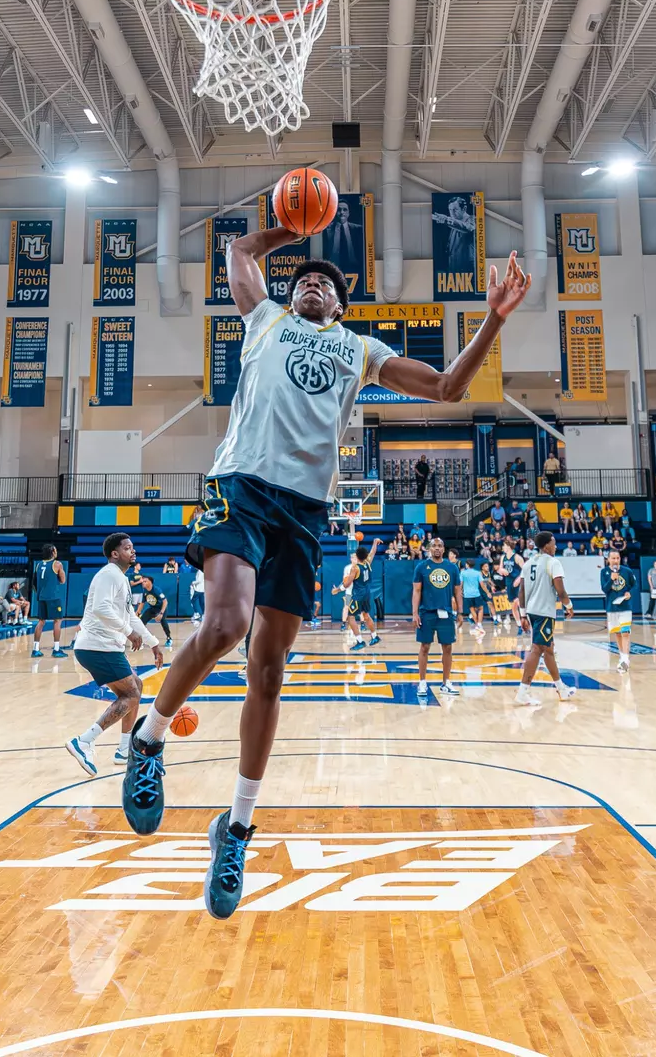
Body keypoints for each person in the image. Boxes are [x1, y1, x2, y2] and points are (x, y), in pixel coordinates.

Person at [119, 220, 531, 920]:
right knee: (224, 626)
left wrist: (490, 321)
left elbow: (446, 386)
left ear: (341, 306)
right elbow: (238, 252)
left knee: (270, 669)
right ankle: (148, 737)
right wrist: (290, 224)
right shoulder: (263, 320)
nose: (314, 282)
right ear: (289, 295)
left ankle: (237, 829)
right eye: (304, 279)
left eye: (328, 284)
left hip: (305, 510)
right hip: (241, 487)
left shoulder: (360, 349)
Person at [67, 533, 163, 774]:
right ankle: (84, 741)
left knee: (136, 686)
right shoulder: (109, 574)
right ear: (114, 554)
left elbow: (130, 615)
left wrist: (153, 642)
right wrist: (128, 632)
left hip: (103, 647)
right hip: (97, 646)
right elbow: (101, 608)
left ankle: (123, 750)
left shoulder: (119, 578)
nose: (133, 551)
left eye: (133, 547)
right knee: (131, 693)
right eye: (128, 548)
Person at [515, 532, 576, 706]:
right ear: (547, 545)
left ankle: (561, 689)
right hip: (544, 612)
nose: (556, 546)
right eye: (554, 543)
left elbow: (522, 591)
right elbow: (561, 590)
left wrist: (524, 614)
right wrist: (569, 606)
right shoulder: (553, 563)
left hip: (533, 612)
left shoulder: (528, 563)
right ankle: (523, 691)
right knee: (537, 649)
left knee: (548, 649)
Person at [413, 537, 461, 698]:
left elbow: (457, 591)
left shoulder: (452, 568)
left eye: (440, 546)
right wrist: (414, 613)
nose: (437, 548)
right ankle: (422, 682)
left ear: (444, 548)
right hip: (426, 613)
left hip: (446, 613)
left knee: (448, 647)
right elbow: (417, 591)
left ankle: (446, 682)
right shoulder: (421, 567)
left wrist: (460, 612)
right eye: (434, 546)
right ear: (429, 549)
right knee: (424, 647)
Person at [342, 539, 383, 651]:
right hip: (367, 594)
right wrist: (374, 543)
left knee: (350, 618)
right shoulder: (368, 562)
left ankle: (360, 641)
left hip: (358, 595)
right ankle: (375, 636)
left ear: (358, 556)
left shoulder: (355, 568)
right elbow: (373, 552)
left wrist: (340, 586)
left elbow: (347, 584)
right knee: (366, 615)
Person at [601, 550, 636, 673]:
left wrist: (628, 593)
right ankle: (622, 655)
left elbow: (633, 584)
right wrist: (611, 579)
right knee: (618, 633)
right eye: (613, 558)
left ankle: (626, 659)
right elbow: (604, 589)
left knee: (625, 632)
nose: (616, 560)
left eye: (617, 558)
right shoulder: (604, 572)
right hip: (612, 608)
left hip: (625, 607)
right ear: (609, 559)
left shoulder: (627, 571)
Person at [31, 545, 68, 658]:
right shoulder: (57, 564)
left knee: (41, 622)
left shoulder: (38, 565)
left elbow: (34, 583)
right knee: (57, 621)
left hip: (41, 597)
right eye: (55, 550)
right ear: (52, 552)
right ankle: (56, 649)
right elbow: (62, 581)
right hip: (53, 597)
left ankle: (35, 649)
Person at [498, 538, 525, 630]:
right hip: (509, 583)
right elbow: (500, 569)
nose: (503, 547)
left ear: (509, 547)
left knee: (518, 603)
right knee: (513, 606)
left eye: (504, 545)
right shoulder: (503, 557)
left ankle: (526, 622)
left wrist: (518, 579)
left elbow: (525, 570)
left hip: (517, 583)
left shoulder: (517, 557)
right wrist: (502, 570)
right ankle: (519, 626)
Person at [139, 576, 173, 648]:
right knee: (141, 622)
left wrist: (161, 613)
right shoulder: (145, 590)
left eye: (145, 581)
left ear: (150, 582)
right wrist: (137, 612)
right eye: (143, 581)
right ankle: (140, 639)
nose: (143, 582)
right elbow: (142, 603)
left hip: (160, 609)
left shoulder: (157, 590)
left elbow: (165, 601)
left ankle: (169, 638)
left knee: (163, 621)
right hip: (152, 609)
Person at [460, 558, 486, 638]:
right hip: (476, 594)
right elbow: (482, 584)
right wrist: (487, 592)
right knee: (481, 608)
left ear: (467, 565)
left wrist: (460, 591)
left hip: (467, 594)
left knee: (472, 610)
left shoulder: (463, 573)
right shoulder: (478, 573)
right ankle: (479, 624)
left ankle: (477, 626)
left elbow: (461, 583)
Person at [333, 551, 357, 630]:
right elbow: (345, 581)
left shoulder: (360, 567)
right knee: (346, 607)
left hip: (358, 592)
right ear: (351, 559)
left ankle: (363, 624)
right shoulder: (347, 568)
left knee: (361, 609)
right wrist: (338, 588)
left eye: (356, 558)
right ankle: (343, 624)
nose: (355, 559)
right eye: (353, 558)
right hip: (349, 591)